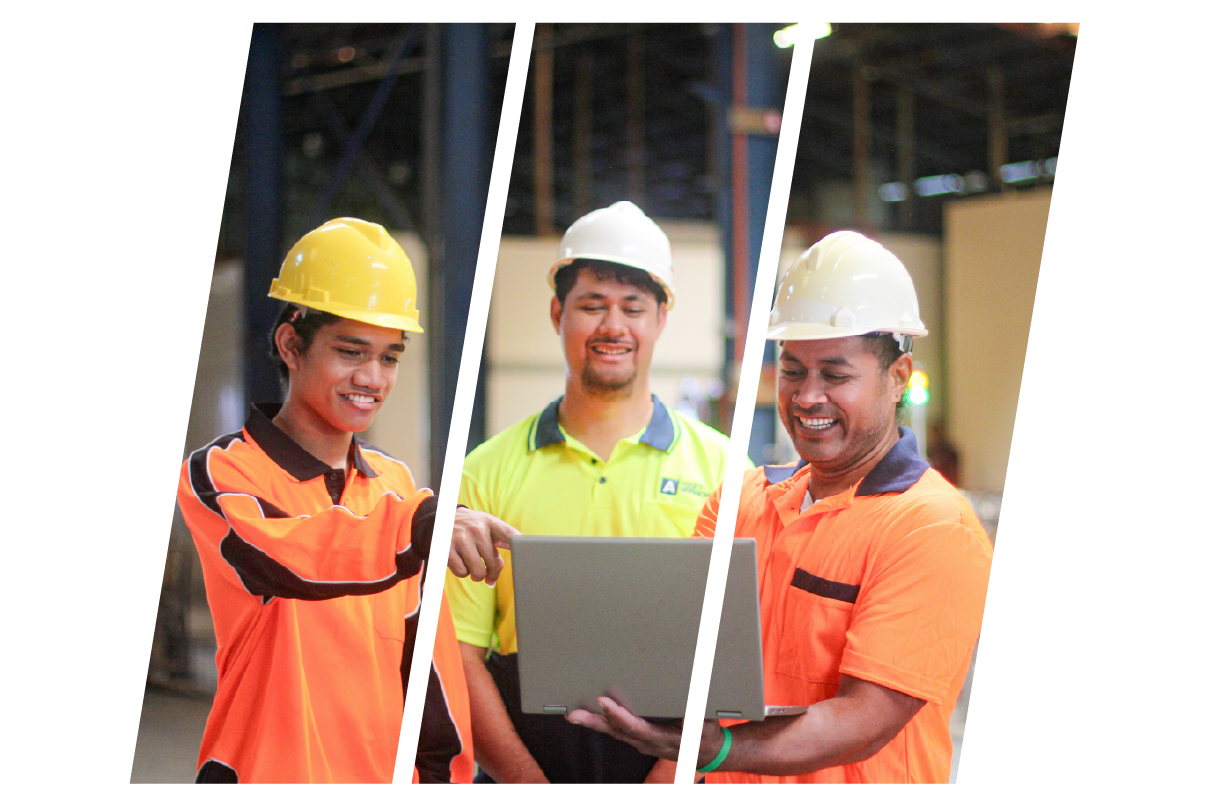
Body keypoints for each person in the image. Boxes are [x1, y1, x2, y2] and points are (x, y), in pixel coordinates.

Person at [568, 231, 994, 784]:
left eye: (836, 375)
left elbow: (865, 719)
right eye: (793, 370)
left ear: (898, 379)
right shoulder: (739, 502)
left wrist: (715, 748)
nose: (807, 396)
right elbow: (688, 666)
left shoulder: (933, 528)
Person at [176, 218, 517, 783]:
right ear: (291, 344)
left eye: (389, 356)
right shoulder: (222, 471)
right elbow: (290, 559)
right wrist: (416, 525)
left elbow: (426, 664)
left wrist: (446, 779)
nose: (373, 378)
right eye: (351, 351)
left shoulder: (395, 487)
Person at [443, 201, 744, 783]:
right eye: (592, 305)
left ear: (661, 318)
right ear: (558, 314)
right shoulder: (486, 471)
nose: (613, 326)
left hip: (674, 771)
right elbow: (459, 654)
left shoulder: (724, 471)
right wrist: (528, 788)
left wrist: (666, 783)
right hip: (523, 765)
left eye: (633, 307)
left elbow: (733, 652)